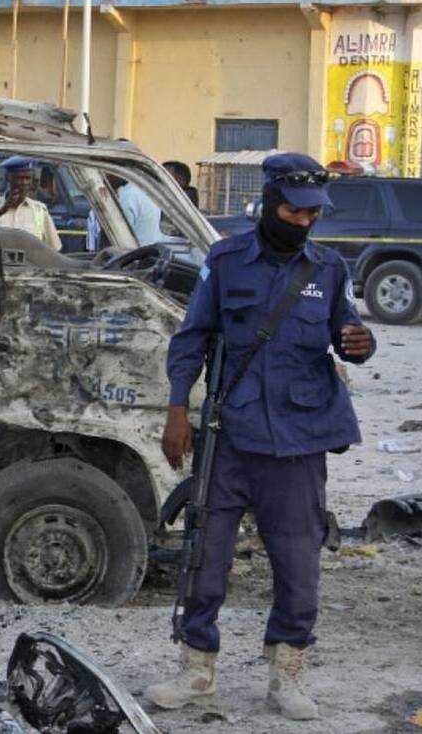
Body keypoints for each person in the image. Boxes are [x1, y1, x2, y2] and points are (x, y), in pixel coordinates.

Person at [147, 153, 376, 721]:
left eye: (313, 214)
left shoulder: (328, 269)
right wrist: (177, 410)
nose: (305, 222)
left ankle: (286, 673)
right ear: (270, 204)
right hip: (230, 435)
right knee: (205, 559)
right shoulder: (225, 262)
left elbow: (347, 333)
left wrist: (361, 344)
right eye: (295, 212)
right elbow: (192, 338)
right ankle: (196, 670)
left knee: (298, 565)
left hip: (299, 440)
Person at [0, 156, 61, 258]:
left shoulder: (39, 210)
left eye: (27, 178)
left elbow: (54, 249)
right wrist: (3, 209)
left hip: (30, 266)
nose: (24, 183)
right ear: (8, 178)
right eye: (19, 178)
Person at [111, 175, 164, 246]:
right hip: (150, 247)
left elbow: (120, 234)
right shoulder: (146, 192)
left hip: (135, 249)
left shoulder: (127, 196)